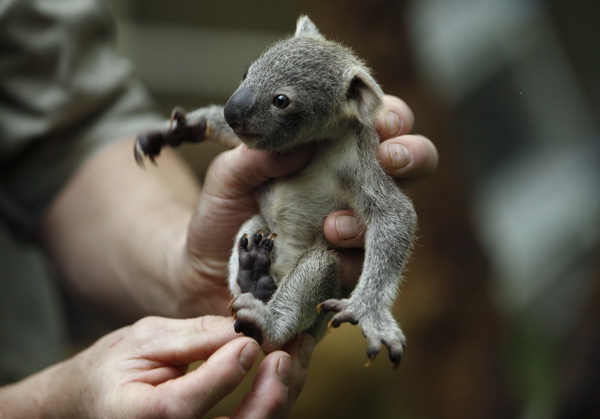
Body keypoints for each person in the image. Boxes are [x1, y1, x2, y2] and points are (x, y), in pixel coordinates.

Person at [0, 0, 438, 417]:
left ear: (356, 100)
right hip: (269, 239)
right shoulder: (305, 117)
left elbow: (394, 215)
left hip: (295, 269)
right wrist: (201, 124)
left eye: (282, 102)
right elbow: (237, 119)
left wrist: (371, 302)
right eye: (248, 76)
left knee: (314, 258)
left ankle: (272, 316)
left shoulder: (359, 143)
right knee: (257, 218)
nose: (239, 104)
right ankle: (259, 291)